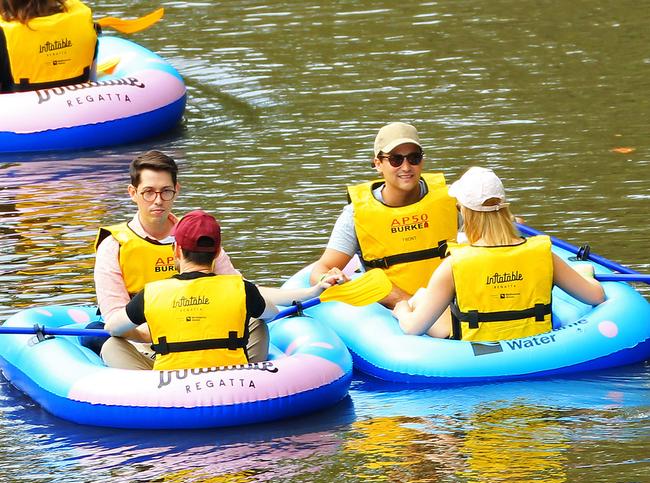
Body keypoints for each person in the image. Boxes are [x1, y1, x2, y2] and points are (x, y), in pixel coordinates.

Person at [105, 210, 342, 371]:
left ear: (176, 251)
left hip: (170, 382)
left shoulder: (152, 293)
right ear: (218, 252)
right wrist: (313, 292)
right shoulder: (240, 288)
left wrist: (145, 333)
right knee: (257, 322)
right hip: (233, 375)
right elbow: (270, 313)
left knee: (111, 344)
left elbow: (113, 327)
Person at [392, 166, 606, 341]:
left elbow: (413, 328)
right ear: (504, 208)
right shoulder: (543, 255)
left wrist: (401, 308)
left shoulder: (453, 266)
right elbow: (595, 296)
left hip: (473, 350)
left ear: (464, 211)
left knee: (420, 297)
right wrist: (586, 276)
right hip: (537, 342)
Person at [84, 150, 243, 360]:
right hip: (144, 340)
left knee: (255, 323)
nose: (158, 201)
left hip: (206, 333)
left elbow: (238, 289)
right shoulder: (113, 245)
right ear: (133, 193)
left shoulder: (197, 234)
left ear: (176, 190)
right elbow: (115, 318)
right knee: (95, 331)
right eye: (148, 192)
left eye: (165, 191)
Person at [310, 122, 458, 308]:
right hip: (391, 315)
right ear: (378, 164)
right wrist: (328, 277)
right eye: (396, 159)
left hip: (452, 305)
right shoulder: (355, 214)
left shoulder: (454, 199)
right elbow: (320, 270)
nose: (406, 167)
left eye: (414, 158)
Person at [0, 0, 97, 93]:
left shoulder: (3, 34)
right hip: (79, 105)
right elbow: (93, 80)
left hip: (24, 108)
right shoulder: (83, 21)